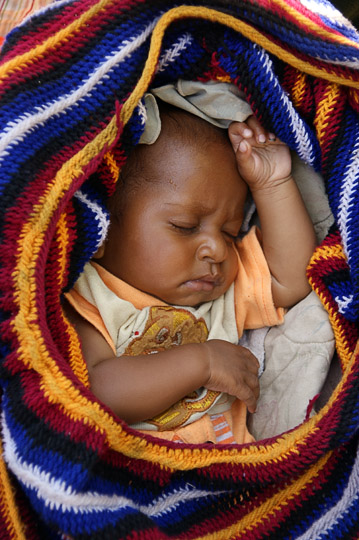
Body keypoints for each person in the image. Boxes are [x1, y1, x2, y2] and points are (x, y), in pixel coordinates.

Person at [65, 100, 316, 445]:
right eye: (184, 226)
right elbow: (98, 391)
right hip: (135, 471)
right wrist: (204, 362)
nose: (215, 249)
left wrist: (272, 184)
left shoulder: (218, 297)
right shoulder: (89, 297)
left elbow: (292, 278)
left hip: (226, 472)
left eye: (229, 232)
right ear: (103, 231)